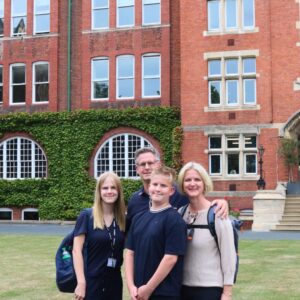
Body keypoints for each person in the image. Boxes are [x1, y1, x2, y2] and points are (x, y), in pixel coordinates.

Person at [126, 147, 228, 232]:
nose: (147, 167)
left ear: (159, 165)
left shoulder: (179, 193)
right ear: (137, 169)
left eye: (150, 163)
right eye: (142, 164)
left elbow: (199, 202)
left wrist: (221, 203)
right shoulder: (134, 201)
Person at [125, 165, 187, 300]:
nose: (158, 189)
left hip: (164, 292)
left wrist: (148, 288)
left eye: (163, 186)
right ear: (149, 187)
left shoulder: (174, 219)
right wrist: (131, 286)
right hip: (138, 291)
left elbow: (170, 258)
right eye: (155, 184)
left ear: (171, 191)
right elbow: (130, 253)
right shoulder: (138, 218)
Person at [177, 162, 236, 300]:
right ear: (182, 184)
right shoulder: (181, 213)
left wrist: (227, 293)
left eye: (197, 179)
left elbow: (229, 256)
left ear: (204, 183)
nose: (192, 183)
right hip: (182, 288)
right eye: (188, 180)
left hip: (210, 289)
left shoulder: (218, 215)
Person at [72, 171, 126, 300]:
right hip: (91, 282)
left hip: (114, 282)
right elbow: (76, 251)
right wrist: (81, 282)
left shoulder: (123, 219)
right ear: (99, 191)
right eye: (105, 188)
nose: (109, 191)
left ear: (118, 191)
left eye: (113, 188)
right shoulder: (86, 216)